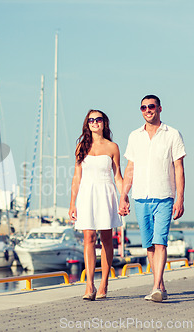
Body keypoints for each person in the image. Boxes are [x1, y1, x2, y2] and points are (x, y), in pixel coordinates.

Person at [119, 94, 186, 302]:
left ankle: (156, 287)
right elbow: (130, 169)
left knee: (160, 243)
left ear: (159, 108)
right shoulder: (134, 136)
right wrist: (123, 196)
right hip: (140, 197)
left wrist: (180, 198)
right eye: (143, 107)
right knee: (149, 245)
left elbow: (179, 168)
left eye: (151, 106)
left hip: (164, 195)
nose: (147, 110)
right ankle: (161, 285)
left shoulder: (172, 134)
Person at [69, 109, 123, 301]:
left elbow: (117, 176)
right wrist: (72, 203)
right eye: (91, 120)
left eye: (98, 119)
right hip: (86, 194)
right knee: (88, 238)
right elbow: (77, 177)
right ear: (87, 123)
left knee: (106, 239)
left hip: (106, 193)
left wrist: (124, 197)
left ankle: (104, 283)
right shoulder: (81, 147)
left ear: (104, 123)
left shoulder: (112, 147)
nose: (94, 122)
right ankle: (89, 284)